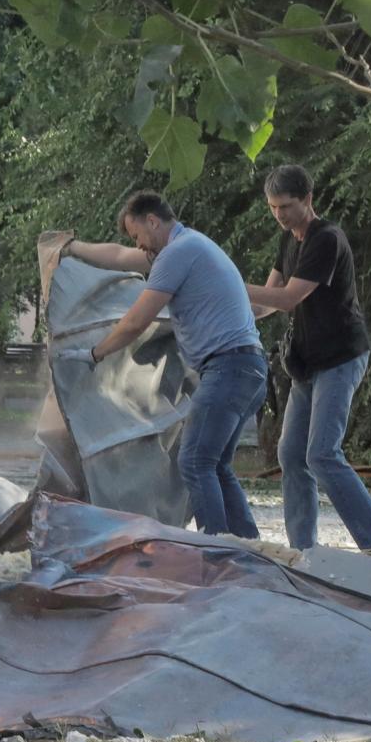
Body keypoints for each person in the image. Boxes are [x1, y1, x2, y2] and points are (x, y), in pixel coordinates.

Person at [53, 191, 269, 538]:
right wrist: (73, 247)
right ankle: (246, 549)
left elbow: (137, 321)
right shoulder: (189, 246)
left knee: (195, 462)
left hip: (229, 368)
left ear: (153, 221)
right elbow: (121, 257)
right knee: (217, 466)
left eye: (138, 236)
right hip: (248, 368)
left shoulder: (177, 253)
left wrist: (94, 353)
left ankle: (216, 551)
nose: (140, 247)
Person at [246, 162, 371, 551]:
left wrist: (229, 281)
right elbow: (267, 303)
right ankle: (303, 552)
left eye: (287, 206)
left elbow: (287, 298)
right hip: (307, 363)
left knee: (322, 454)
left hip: (341, 357)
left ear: (308, 199)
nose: (279, 214)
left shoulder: (326, 239)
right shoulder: (287, 240)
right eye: (273, 207)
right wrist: (228, 309)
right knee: (291, 454)